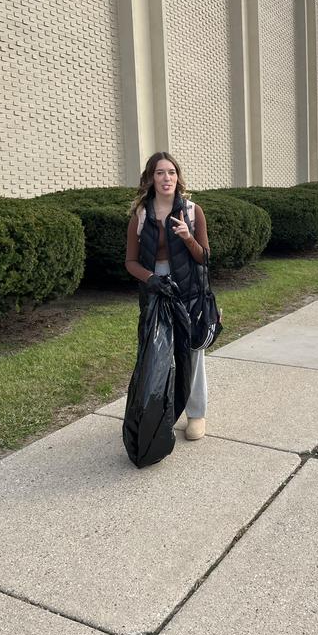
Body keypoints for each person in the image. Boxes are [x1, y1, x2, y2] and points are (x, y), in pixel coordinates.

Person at [125, 152, 209, 441]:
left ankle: (196, 414)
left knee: (192, 354)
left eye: (171, 172)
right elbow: (130, 262)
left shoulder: (192, 211)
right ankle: (160, 414)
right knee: (156, 354)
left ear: (178, 177)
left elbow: (204, 257)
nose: (166, 178)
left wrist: (187, 236)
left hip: (187, 292)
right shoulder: (141, 215)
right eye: (160, 173)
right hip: (155, 292)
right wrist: (152, 279)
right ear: (151, 178)